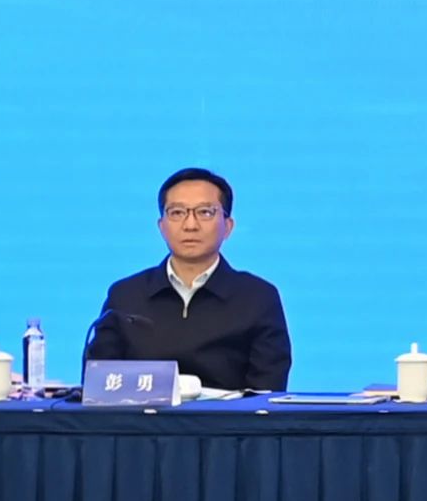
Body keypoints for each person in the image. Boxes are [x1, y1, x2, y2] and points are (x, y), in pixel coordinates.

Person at [83, 167, 292, 391]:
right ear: (161, 227)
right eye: (177, 213)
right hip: (141, 414)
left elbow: (266, 391)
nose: (190, 225)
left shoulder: (258, 297)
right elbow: (98, 385)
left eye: (205, 212)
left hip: (227, 415)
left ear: (228, 226)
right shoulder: (125, 295)